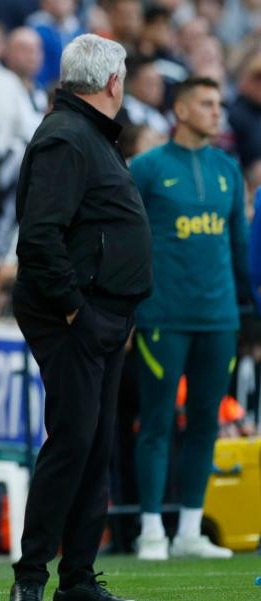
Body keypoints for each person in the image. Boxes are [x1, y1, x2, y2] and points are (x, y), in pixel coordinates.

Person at [10, 34, 151, 601]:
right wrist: (75, 310)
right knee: (73, 442)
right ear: (113, 82)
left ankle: (77, 578)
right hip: (75, 314)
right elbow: (39, 237)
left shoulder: (85, 135)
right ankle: (32, 577)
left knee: (93, 447)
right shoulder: (67, 138)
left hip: (104, 313)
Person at [130, 77, 248, 561]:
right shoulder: (148, 168)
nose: (217, 112)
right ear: (180, 109)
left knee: (205, 423)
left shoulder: (228, 170)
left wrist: (249, 312)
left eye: (219, 103)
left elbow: (238, 246)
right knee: (157, 422)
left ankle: (191, 529)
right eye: (206, 102)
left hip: (220, 318)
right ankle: (152, 529)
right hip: (163, 315)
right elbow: (128, 240)